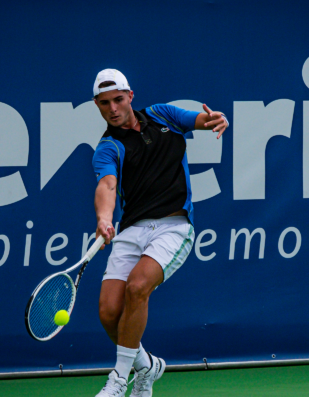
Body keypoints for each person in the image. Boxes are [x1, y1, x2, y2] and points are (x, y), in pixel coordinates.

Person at [90, 69, 228, 397]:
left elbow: (198, 119)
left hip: (174, 227)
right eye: (104, 103)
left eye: (118, 100)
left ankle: (119, 380)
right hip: (131, 230)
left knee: (138, 287)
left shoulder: (162, 114)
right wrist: (104, 218)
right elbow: (107, 185)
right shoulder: (107, 148)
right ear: (97, 105)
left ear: (131, 96)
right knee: (109, 312)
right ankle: (148, 366)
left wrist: (214, 119)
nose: (113, 108)